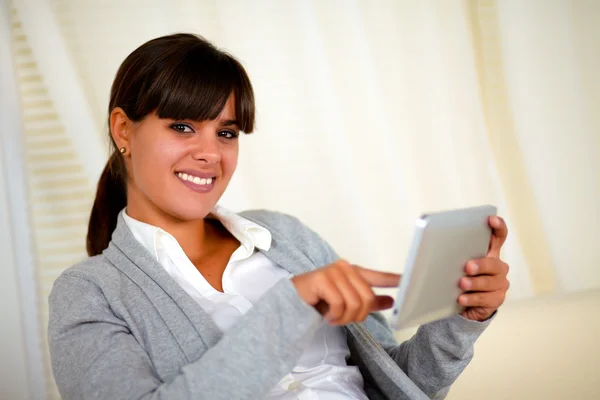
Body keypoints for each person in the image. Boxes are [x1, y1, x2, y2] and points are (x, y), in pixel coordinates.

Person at [48, 33, 510, 400]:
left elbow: (400, 385)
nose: (210, 153)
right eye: (183, 126)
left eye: (226, 132)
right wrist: (292, 305)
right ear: (123, 129)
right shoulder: (88, 293)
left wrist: (460, 320)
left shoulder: (285, 236)